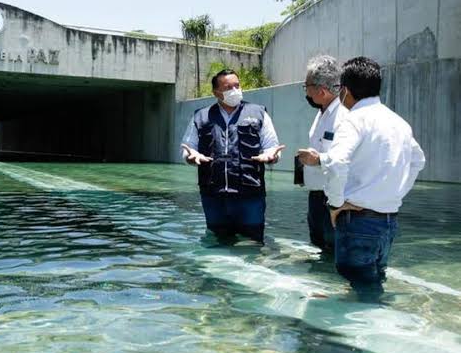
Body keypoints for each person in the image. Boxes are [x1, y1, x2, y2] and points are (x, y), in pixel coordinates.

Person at [297, 57, 425, 298]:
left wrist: (335, 204)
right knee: (373, 285)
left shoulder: (353, 120)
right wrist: (393, 196)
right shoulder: (399, 122)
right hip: (388, 220)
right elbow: (419, 161)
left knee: (359, 291)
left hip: (357, 219)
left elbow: (337, 162)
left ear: (344, 90)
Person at [181, 69, 285, 243]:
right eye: (228, 87)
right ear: (216, 92)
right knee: (217, 243)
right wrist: (190, 156)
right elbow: (188, 148)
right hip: (213, 195)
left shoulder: (258, 113)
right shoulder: (201, 116)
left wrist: (272, 156)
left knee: (252, 242)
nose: (235, 90)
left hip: (250, 195)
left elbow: (272, 147)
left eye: (237, 85)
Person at [300, 55, 348, 253]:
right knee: (320, 245)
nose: (306, 91)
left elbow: (344, 159)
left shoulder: (343, 115)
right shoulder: (322, 112)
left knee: (333, 249)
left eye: (307, 86)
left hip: (333, 197)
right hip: (317, 195)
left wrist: (318, 159)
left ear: (321, 90)